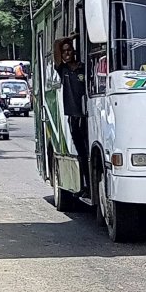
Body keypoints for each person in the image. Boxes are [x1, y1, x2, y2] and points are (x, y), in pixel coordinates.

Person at [53, 37, 89, 196]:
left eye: (69, 50)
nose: (67, 53)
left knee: (88, 153)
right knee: (81, 154)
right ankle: (84, 186)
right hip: (74, 117)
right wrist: (69, 38)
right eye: (64, 51)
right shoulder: (63, 69)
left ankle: (89, 186)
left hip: (87, 116)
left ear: (74, 52)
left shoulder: (83, 68)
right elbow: (55, 45)